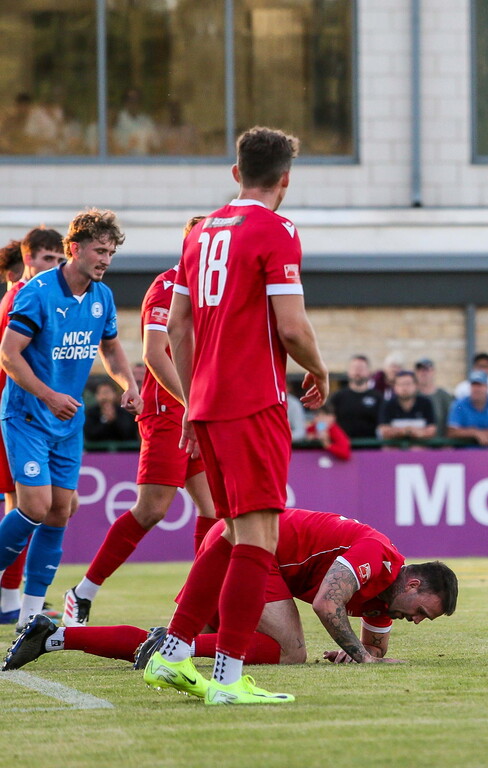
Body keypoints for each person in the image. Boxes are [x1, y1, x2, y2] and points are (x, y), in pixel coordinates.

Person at [144, 126, 330, 706]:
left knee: (228, 531)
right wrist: (322, 371)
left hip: (207, 404)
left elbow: (178, 328)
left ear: (235, 173)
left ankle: (174, 653)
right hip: (255, 402)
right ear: (285, 180)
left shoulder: (200, 234)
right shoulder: (277, 229)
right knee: (259, 537)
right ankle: (226, 679)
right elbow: (292, 326)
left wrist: (193, 401)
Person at [4, 508, 458, 673]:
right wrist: (358, 656)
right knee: (288, 652)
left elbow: (375, 651)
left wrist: (358, 651)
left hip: (233, 537)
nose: (416, 621)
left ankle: (55, 636)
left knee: (177, 644)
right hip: (251, 546)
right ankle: (171, 643)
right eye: (423, 611)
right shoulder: (378, 556)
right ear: (413, 583)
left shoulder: (385, 601)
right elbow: (327, 604)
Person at [61, 217, 217, 628]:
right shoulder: (167, 286)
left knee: (214, 510)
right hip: (169, 410)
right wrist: (192, 403)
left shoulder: (216, 290)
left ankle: (201, 608)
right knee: (152, 509)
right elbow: (154, 353)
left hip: (198, 411)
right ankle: (82, 592)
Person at [0, 210, 142, 632]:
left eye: (111, 253)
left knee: (60, 511)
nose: (106, 260)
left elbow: (112, 350)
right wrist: (48, 394)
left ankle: (28, 615)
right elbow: (9, 353)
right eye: (100, 251)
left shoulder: (103, 297)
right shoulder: (38, 291)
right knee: (35, 506)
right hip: (28, 414)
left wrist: (128, 385)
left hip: (67, 423)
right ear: (74, 249)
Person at [0, 229, 65, 624]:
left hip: (35, 416)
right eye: (46, 259)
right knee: (26, 508)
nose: (53, 268)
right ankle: (11, 601)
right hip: (20, 415)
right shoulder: (22, 297)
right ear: (27, 260)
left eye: (58, 261)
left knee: (38, 507)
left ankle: (14, 600)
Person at [447, 371, 488, 447]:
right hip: (465, 454)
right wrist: (475, 433)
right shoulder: (459, 405)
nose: (476, 389)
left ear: (487, 387)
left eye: (480, 385)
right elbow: (451, 432)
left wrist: (482, 434)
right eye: (473, 385)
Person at [330, 354, 382, 439]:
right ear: (348, 371)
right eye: (354, 368)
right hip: (344, 449)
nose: (358, 372)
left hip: (371, 449)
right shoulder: (337, 397)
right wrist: (320, 430)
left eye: (361, 368)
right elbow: (323, 420)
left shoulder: (378, 398)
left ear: (369, 372)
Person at [377, 369, 436, 444]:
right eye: (401, 384)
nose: (404, 388)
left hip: (420, 450)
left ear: (416, 386)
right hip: (394, 450)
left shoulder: (426, 403)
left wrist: (419, 433)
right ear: (395, 387)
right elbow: (383, 430)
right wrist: (405, 432)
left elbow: (432, 430)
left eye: (408, 384)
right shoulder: (387, 405)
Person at [113, 88, 159, 156]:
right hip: (123, 163)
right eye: (130, 99)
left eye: (137, 100)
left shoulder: (147, 121)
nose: (134, 103)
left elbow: (156, 146)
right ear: (125, 102)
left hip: (144, 163)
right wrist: (130, 146)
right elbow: (113, 149)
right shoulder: (117, 120)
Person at [414, 358, 453, 436]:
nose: (423, 373)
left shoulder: (444, 396)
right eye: (420, 370)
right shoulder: (412, 396)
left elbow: (451, 422)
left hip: (440, 444)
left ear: (433, 372)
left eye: (426, 370)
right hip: (417, 445)